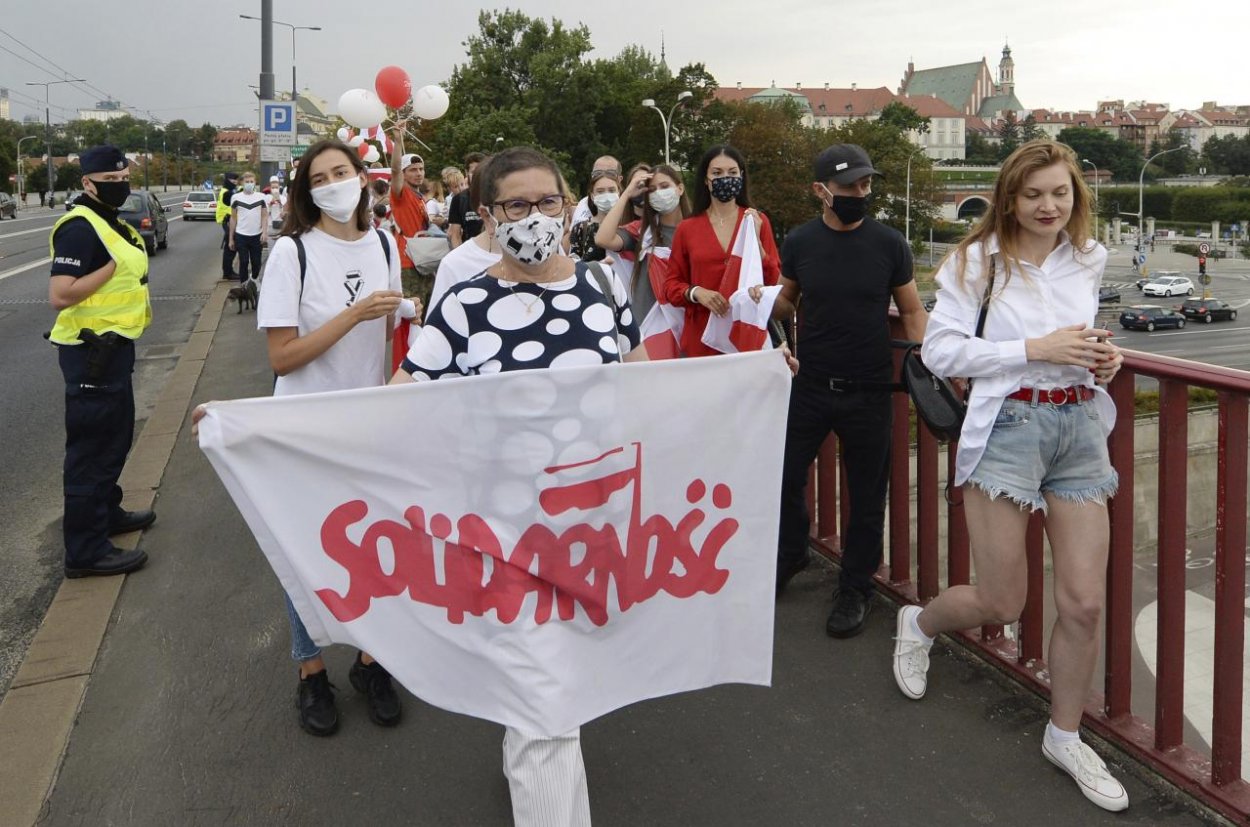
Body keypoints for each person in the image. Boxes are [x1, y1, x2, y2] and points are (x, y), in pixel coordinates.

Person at [393, 145, 646, 827]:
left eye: (547, 202)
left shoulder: (603, 288)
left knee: (555, 694)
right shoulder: (465, 303)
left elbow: (651, 390)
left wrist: (756, 378)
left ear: (568, 205)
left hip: (595, 532)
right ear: (488, 213)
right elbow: (393, 408)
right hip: (505, 539)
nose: (535, 216)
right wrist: (263, 425)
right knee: (544, 706)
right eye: (516, 205)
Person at [892, 139, 1127, 812]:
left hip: (1079, 425)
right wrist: (1034, 349)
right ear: (1010, 198)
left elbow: (1078, 342)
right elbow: (938, 348)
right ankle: (921, 623)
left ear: (1074, 195)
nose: (1049, 206)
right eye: (1033, 195)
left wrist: (1099, 359)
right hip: (1008, 430)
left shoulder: (1088, 256)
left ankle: (1065, 733)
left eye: (1060, 192)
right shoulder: (975, 262)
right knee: (1003, 601)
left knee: (1082, 600)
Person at [256, 138, 411, 737]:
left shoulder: (382, 243)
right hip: (305, 430)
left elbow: (391, 328)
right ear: (306, 190)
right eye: (319, 177)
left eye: (341, 171)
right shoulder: (292, 253)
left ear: (362, 177)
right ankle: (312, 672)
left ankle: (371, 663)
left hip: (368, 425)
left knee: (375, 547)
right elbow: (283, 358)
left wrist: (407, 313)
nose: (333, 184)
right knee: (306, 554)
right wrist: (354, 314)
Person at [771, 144, 928, 639]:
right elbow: (785, 302)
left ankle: (855, 586)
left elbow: (912, 310)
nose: (861, 193)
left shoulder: (889, 244)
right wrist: (755, 307)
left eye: (865, 184)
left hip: (870, 390)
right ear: (822, 191)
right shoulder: (799, 241)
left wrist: (926, 360)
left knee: (866, 497)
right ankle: (792, 551)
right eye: (850, 186)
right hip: (809, 385)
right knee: (781, 476)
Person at [47, 144, 154, 578]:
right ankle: (86, 551)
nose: (119, 186)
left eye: (122, 178)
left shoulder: (108, 220)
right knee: (91, 452)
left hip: (112, 350)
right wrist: (106, 272)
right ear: (86, 183)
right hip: (91, 353)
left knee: (113, 440)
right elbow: (60, 294)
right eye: (109, 182)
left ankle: (107, 514)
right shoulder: (79, 226)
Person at [662, 145, 780, 358]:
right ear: (706, 180)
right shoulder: (687, 228)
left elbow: (775, 281)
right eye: (717, 173)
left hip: (745, 339)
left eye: (732, 172)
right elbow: (670, 286)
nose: (726, 178)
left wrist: (759, 249)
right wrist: (697, 292)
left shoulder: (758, 221)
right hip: (701, 342)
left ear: (742, 176)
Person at [595, 163, 688, 321]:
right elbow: (603, 238)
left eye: (664, 186)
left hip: (686, 321)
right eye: (652, 190)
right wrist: (626, 194)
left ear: (680, 188)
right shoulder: (642, 232)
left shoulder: (698, 229)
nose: (659, 193)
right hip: (649, 325)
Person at [387, 121, 434, 310]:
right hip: (408, 261)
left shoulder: (419, 195)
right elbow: (395, 170)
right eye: (413, 170)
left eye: (421, 169)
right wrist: (399, 141)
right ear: (404, 174)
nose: (419, 173)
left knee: (427, 311)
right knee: (412, 314)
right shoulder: (401, 193)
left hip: (424, 259)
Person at [228, 172, 269, 285]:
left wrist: (264, 233)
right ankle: (244, 285)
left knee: (256, 263)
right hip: (241, 235)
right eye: (247, 182)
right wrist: (231, 238)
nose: (249, 184)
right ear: (242, 183)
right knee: (244, 261)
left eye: (252, 182)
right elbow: (233, 218)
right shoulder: (236, 197)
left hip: (257, 235)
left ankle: (255, 279)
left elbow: (265, 215)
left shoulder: (261, 197)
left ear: (255, 182)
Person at [447, 152, 486, 249]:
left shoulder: (497, 196)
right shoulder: (458, 199)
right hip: (469, 251)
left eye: (481, 171)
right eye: (473, 172)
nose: (478, 175)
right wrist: (459, 257)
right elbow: (455, 235)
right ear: (466, 172)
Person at [570, 155, 622, 225]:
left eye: (610, 173)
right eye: (597, 174)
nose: (603, 177)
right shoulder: (583, 204)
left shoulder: (629, 206)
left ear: (620, 179)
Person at [216, 172, 239, 279]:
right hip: (228, 220)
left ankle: (228, 271)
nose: (234, 181)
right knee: (231, 247)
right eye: (232, 179)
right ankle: (228, 272)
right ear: (227, 180)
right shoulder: (227, 192)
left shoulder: (230, 190)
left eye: (236, 179)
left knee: (230, 247)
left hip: (229, 220)